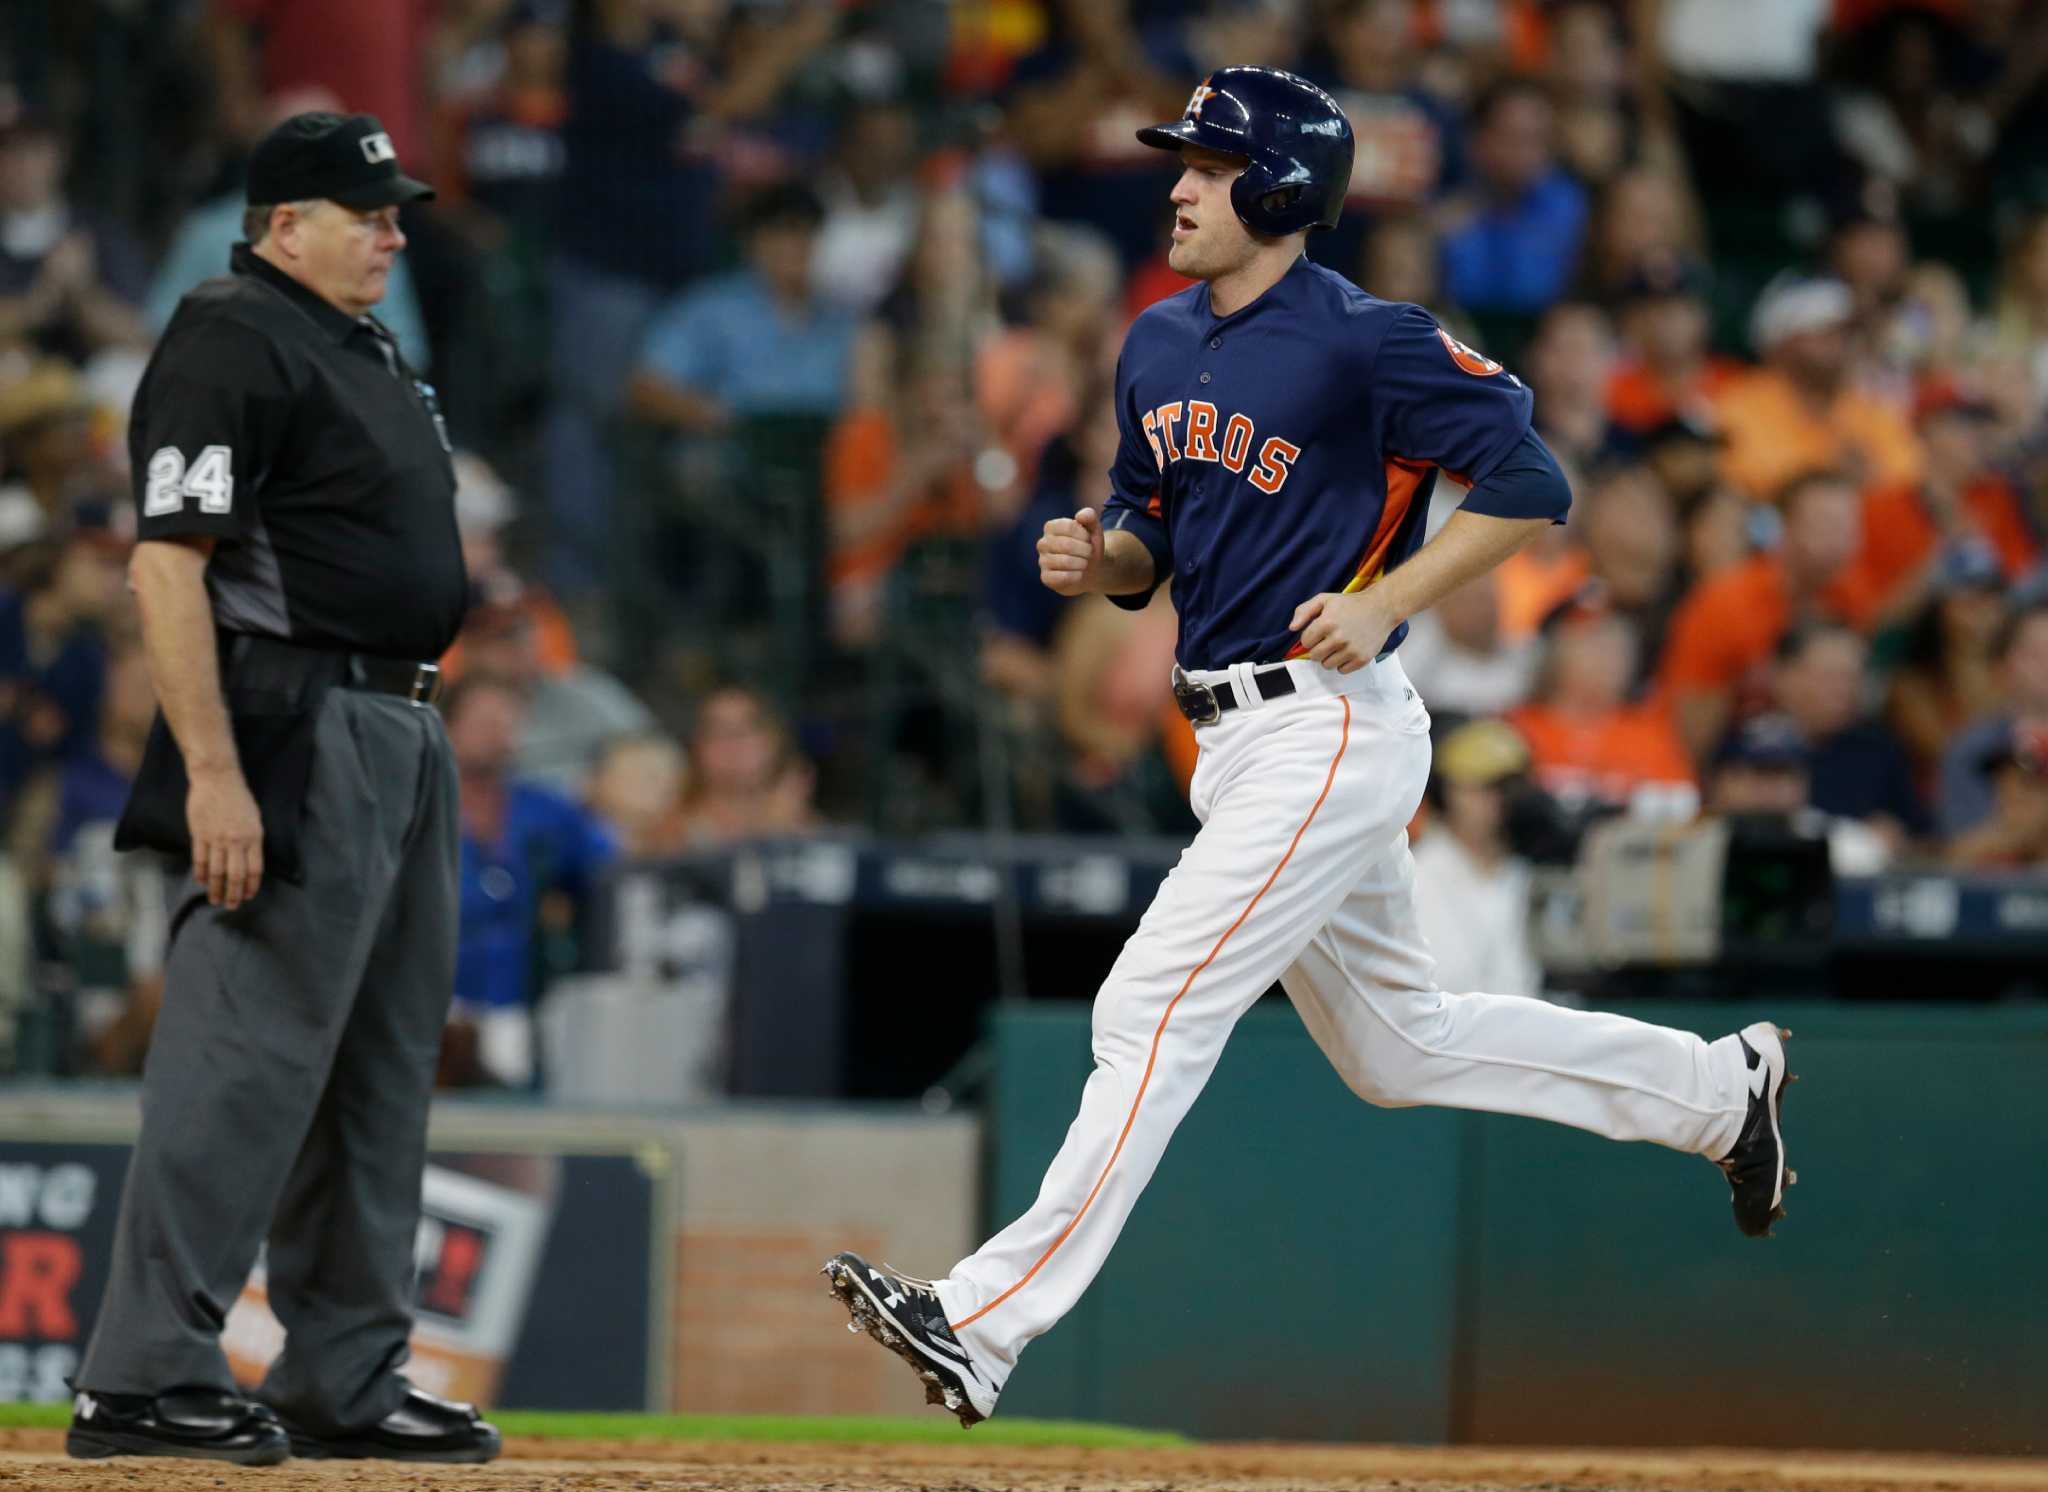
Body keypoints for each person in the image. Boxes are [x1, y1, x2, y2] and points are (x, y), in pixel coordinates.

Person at [823, 67, 1795, 1430]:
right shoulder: (1156, 341)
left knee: (1146, 1009)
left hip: (1327, 729)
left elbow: (1531, 481)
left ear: (1277, 187)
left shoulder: (1365, 337)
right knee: (1400, 1049)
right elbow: (1151, 530)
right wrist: (1098, 556)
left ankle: (983, 1323)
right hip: (1231, 733)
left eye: (1209, 166)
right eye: (1183, 161)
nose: (1176, 183)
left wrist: (1392, 598)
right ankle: (1715, 1091)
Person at [66, 113, 499, 1467]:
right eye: (364, 210)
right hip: (295, 719)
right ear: (281, 222)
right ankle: (142, 1375)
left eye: (394, 209)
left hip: (402, 721)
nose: (393, 230)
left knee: (378, 1069)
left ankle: (346, 1373)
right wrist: (213, 774)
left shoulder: (355, 340)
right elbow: (166, 565)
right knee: (242, 1059)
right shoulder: (230, 331)